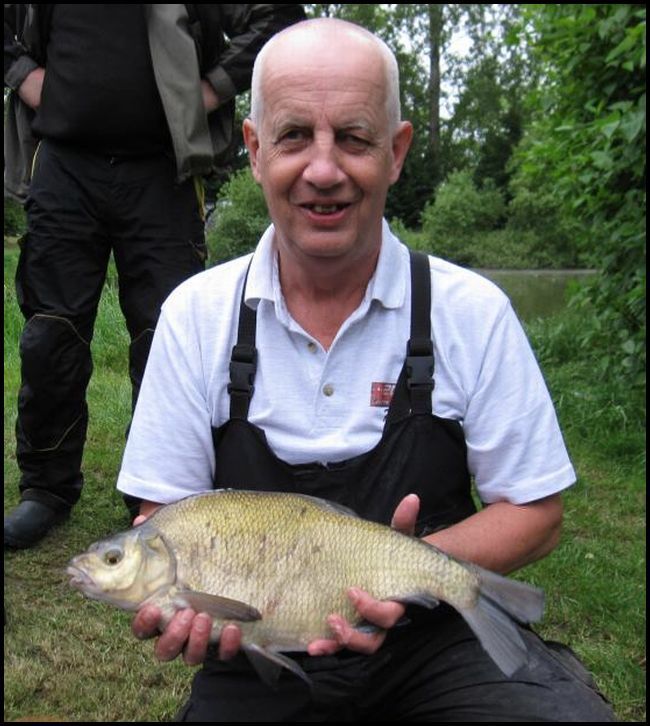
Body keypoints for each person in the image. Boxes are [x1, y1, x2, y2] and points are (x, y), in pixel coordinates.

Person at [117, 18, 615, 722]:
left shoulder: (471, 310)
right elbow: (158, 513)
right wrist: (187, 601)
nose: (324, 170)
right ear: (254, 151)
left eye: (353, 137)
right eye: (294, 137)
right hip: (260, 645)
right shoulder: (196, 314)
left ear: (396, 151)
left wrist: (397, 576)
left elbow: (537, 511)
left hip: (434, 637)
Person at [3, 4, 306, 549]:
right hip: (64, 164)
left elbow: (279, 16)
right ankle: (45, 488)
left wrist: (210, 87)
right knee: (52, 331)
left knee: (169, 336)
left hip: (165, 170)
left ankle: (160, 493)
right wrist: (24, 75)